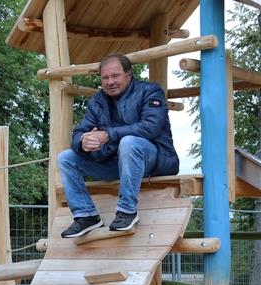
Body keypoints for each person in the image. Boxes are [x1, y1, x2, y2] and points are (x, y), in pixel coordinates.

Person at [57, 53, 179, 238]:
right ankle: (86, 216)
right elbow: (79, 132)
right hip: (116, 163)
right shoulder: (97, 101)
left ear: (129, 74)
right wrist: (83, 142)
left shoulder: (151, 91)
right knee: (65, 158)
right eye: (105, 78)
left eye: (115, 76)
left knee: (128, 142)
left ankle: (127, 211)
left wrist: (107, 135)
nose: (110, 82)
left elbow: (150, 127)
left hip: (156, 160)